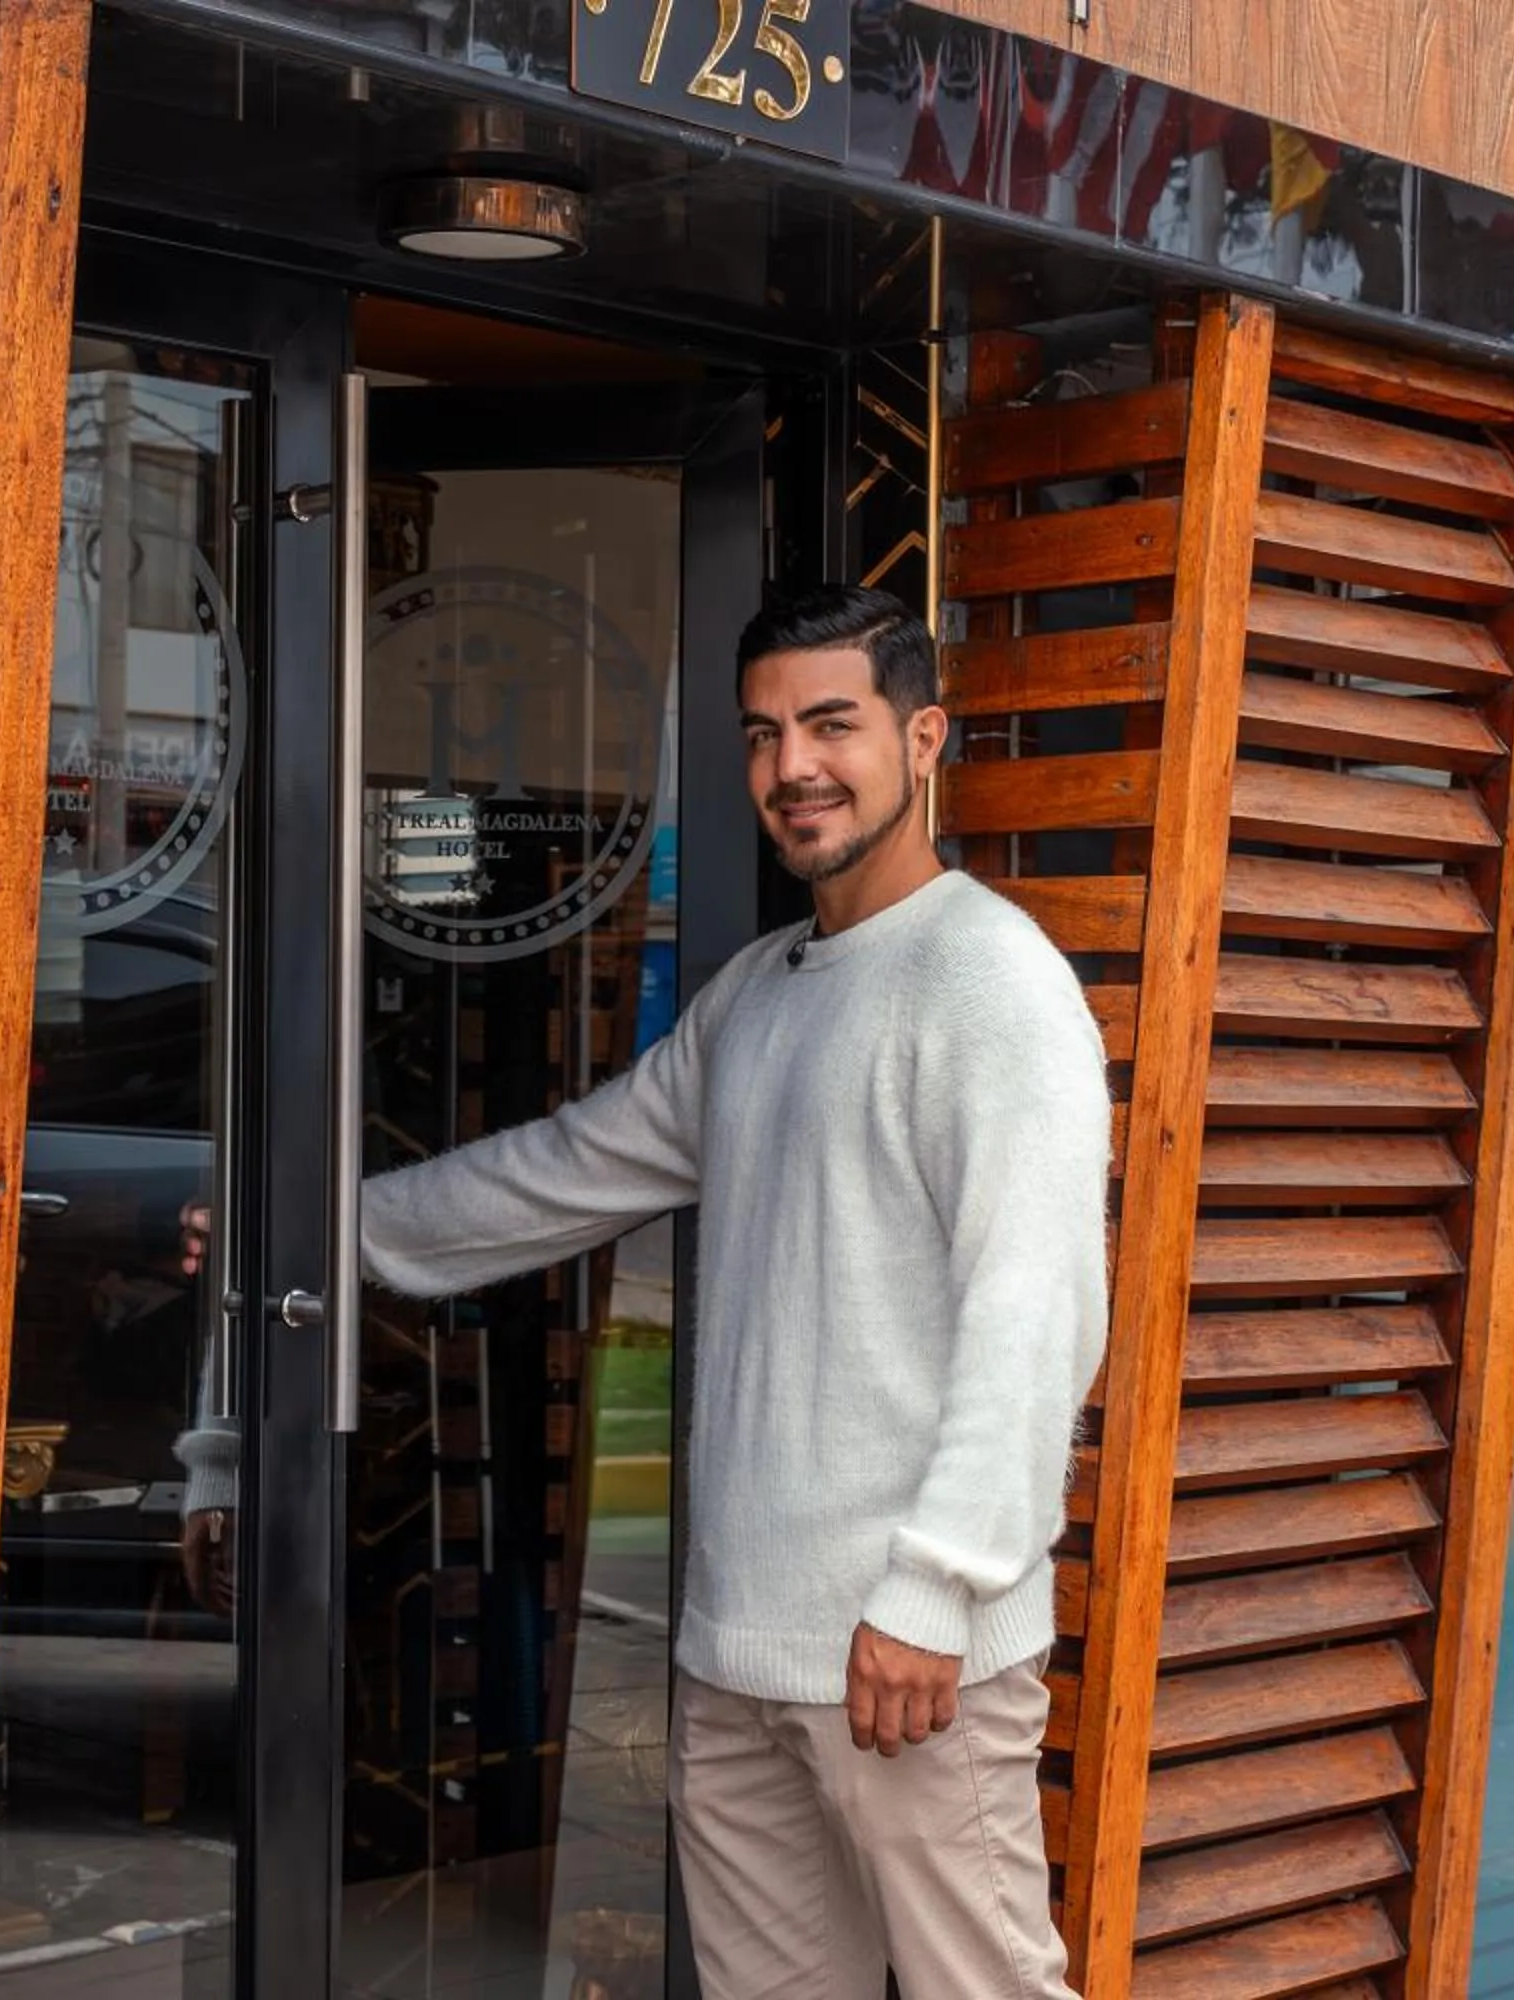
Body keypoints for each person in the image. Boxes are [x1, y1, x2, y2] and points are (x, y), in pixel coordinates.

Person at [356, 583, 1112, 1998]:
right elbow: (571, 1169)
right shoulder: (762, 994)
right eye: (762, 736)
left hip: (910, 1656)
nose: (792, 769)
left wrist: (933, 1593)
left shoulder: (992, 984)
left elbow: (1035, 1319)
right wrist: (333, 1236)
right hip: (740, 1646)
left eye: (833, 724)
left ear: (925, 736)